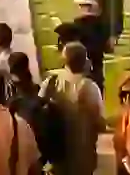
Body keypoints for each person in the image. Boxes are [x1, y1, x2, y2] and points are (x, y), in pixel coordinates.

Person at [40, 42, 106, 175]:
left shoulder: (51, 83)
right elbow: (100, 123)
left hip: (57, 154)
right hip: (82, 156)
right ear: (85, 61)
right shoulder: (89, 87)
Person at [69, 0, 113, 92]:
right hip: (97, 68)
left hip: (82, 69)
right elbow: (108, 48)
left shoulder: (76, 24)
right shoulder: (102, 24)